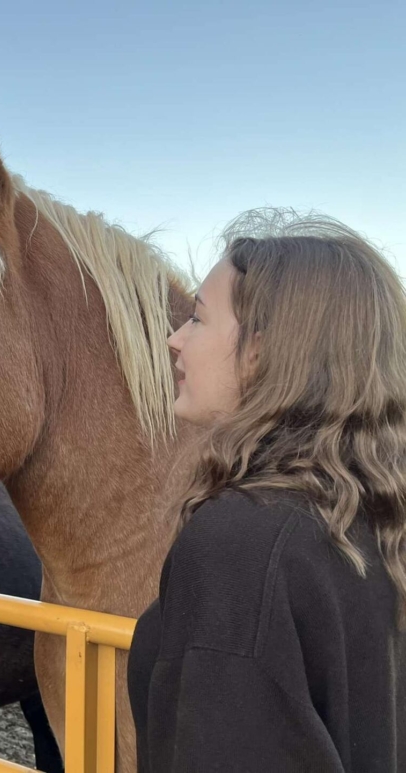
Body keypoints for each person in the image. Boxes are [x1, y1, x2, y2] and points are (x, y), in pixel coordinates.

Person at [128, 209, 406, 772]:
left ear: (260, 349)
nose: (175, 339)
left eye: (197, 319)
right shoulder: (375, 520)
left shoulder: (243, 545)